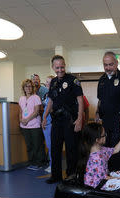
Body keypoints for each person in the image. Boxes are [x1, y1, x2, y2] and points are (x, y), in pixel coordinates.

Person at [44, 55, 83, 183]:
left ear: (65, 65)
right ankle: (56, 175)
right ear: (53, 67)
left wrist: (79, 119)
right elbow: (50, 100)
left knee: (72, 149)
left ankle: (71, 175)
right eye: (57, 67)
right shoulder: (53, 82)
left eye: (62, 67)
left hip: (70, 120)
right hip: (56, 121)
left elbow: (80, 99)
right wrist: (44, 117)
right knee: (55, 149)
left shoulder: (73, 80)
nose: (60, 70)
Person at [96, 51, 120, 172]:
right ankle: (106, 178)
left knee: (116, 153)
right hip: (105, 123)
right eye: (105, 65)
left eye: (110, 64)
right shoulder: (102, 80)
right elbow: (100, 100)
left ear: (116, 63)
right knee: (105, 151)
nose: (108, 68)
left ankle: (115, 180)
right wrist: (97, 112)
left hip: (119, 122)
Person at [77, 122, 120, 191]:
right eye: (104, 135)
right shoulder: (97, 159)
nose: (106, 136)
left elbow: (116, 150)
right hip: (97, 184)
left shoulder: (101, 149)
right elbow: (104, 178)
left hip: (102, 176)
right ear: (97, 140)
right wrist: (119, 179)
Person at [19, 79, 47, 170]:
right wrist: (21, 120)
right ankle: (32, 162)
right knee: (29, 145)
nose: (28, 88)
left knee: (37, 145)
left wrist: (27, 119)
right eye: (26, 86)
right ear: (23, 88)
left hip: (34, 125)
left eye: (30, 86)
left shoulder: (36, 97)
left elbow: (36, 112)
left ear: (33, 87)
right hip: (24, 126)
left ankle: (39, 163)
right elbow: (20, 111)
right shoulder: (21, 98)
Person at [42, 75, 55, 173]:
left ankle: (53, 166)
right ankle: (52, 164)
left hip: (51, 124)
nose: (48, 84)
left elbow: (51, 109)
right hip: (46, 124)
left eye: (50, 82)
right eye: (47, 82)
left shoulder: (54, 95)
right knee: (49, 146)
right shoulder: (47, 95)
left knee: (51, 146)